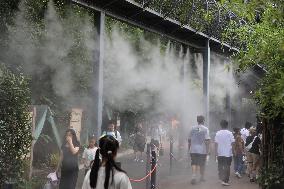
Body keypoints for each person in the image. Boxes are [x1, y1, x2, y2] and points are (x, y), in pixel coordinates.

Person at [188, 115, 210, 184]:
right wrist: (208, 150)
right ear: (203, 120)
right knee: (202, 164)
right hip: (202, 150)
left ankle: (194, 176)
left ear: (197, 120)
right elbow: (207, 140)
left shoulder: (192, 128)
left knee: (194, 163)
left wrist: (189, 148)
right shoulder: (205, 129)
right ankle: (202, 177)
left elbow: (189, 139)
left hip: (193, 149)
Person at [215, 120, 235, 186]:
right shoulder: (230, 133)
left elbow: (216, 144)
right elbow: (232, 143)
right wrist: (233, 151)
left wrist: (216, 153)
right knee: (227, 166)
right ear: (227, 125)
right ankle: (225, 180)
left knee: (220, 165)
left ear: (220, 125)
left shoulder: (218, 133)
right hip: (228, 153)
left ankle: (221, 177)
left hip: (220, 153)